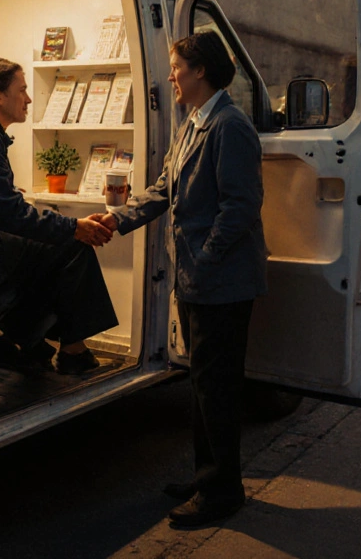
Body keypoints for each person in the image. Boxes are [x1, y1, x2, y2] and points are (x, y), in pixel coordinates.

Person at [91, 32, 267, 528]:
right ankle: (206, 475)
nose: (170, 76)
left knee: (217, 388)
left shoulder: (230, 127)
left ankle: (222, 493)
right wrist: (119, 219)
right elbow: (166, 188)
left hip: (221, 281)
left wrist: (207, 258)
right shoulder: (194, 122)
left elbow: (241, 209)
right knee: (202, 384)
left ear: (201, 71)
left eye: (176, 67)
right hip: (197, 279)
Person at [0, 58, 119, 375]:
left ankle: (14, 341)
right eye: (23, 90)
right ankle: (68, 351)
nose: (28, 98)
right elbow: (10, 214)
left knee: (59, 243)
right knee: (71, 245)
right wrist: (74, 227)